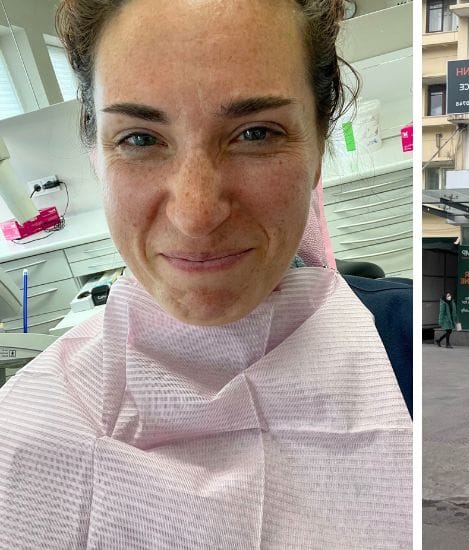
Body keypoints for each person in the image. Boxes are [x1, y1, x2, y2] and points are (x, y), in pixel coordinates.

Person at [0, 1, 412, 548]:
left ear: (318, 145)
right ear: (96, 154)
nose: (195, 215)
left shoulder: (408, 350)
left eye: (256, 134)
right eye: (141, 139)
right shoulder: (26, 431)